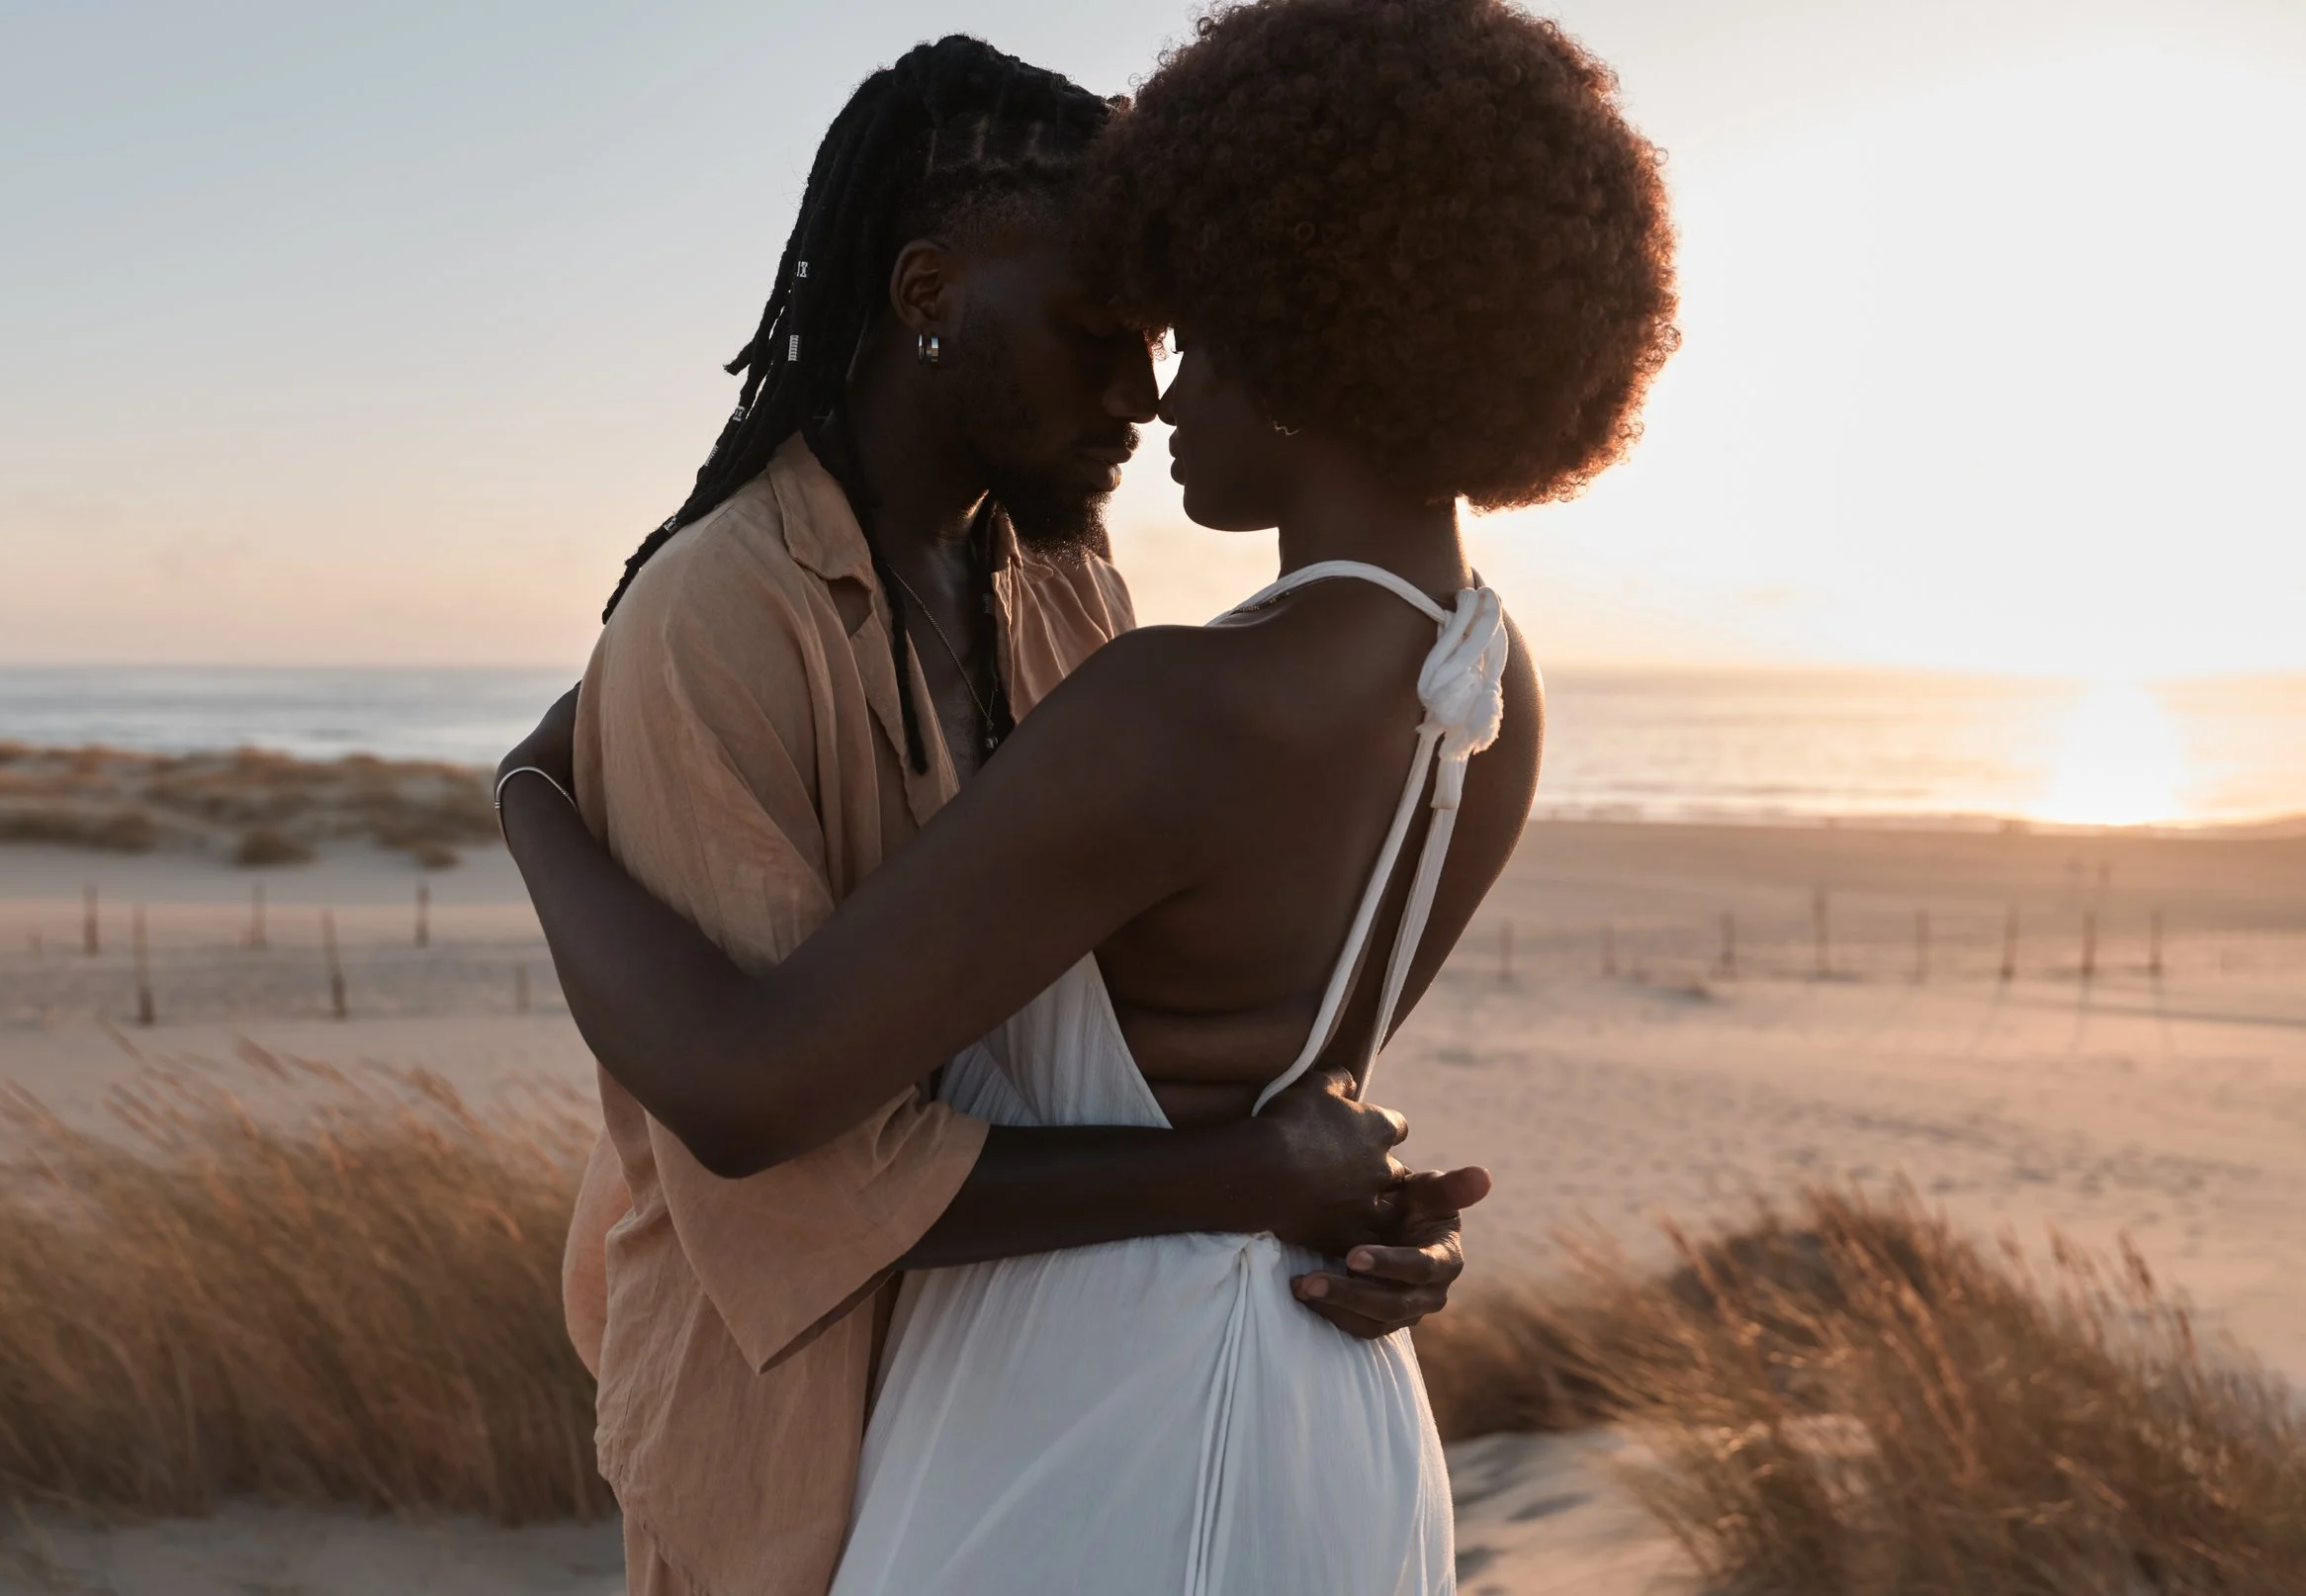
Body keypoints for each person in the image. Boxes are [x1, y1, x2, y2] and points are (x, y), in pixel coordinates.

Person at [503, 2, 1676, 1588]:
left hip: (1073, 1410)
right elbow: (1255, 1084)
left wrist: (524, 791)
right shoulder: (1492, 684)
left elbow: (770, 1080)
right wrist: (1278, 1182)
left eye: (1188, 334)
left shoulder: (1144, 671)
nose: (1153, 390)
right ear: (926, 294)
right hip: (1286, 1416)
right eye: (1109, 330)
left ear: (1311, 335)